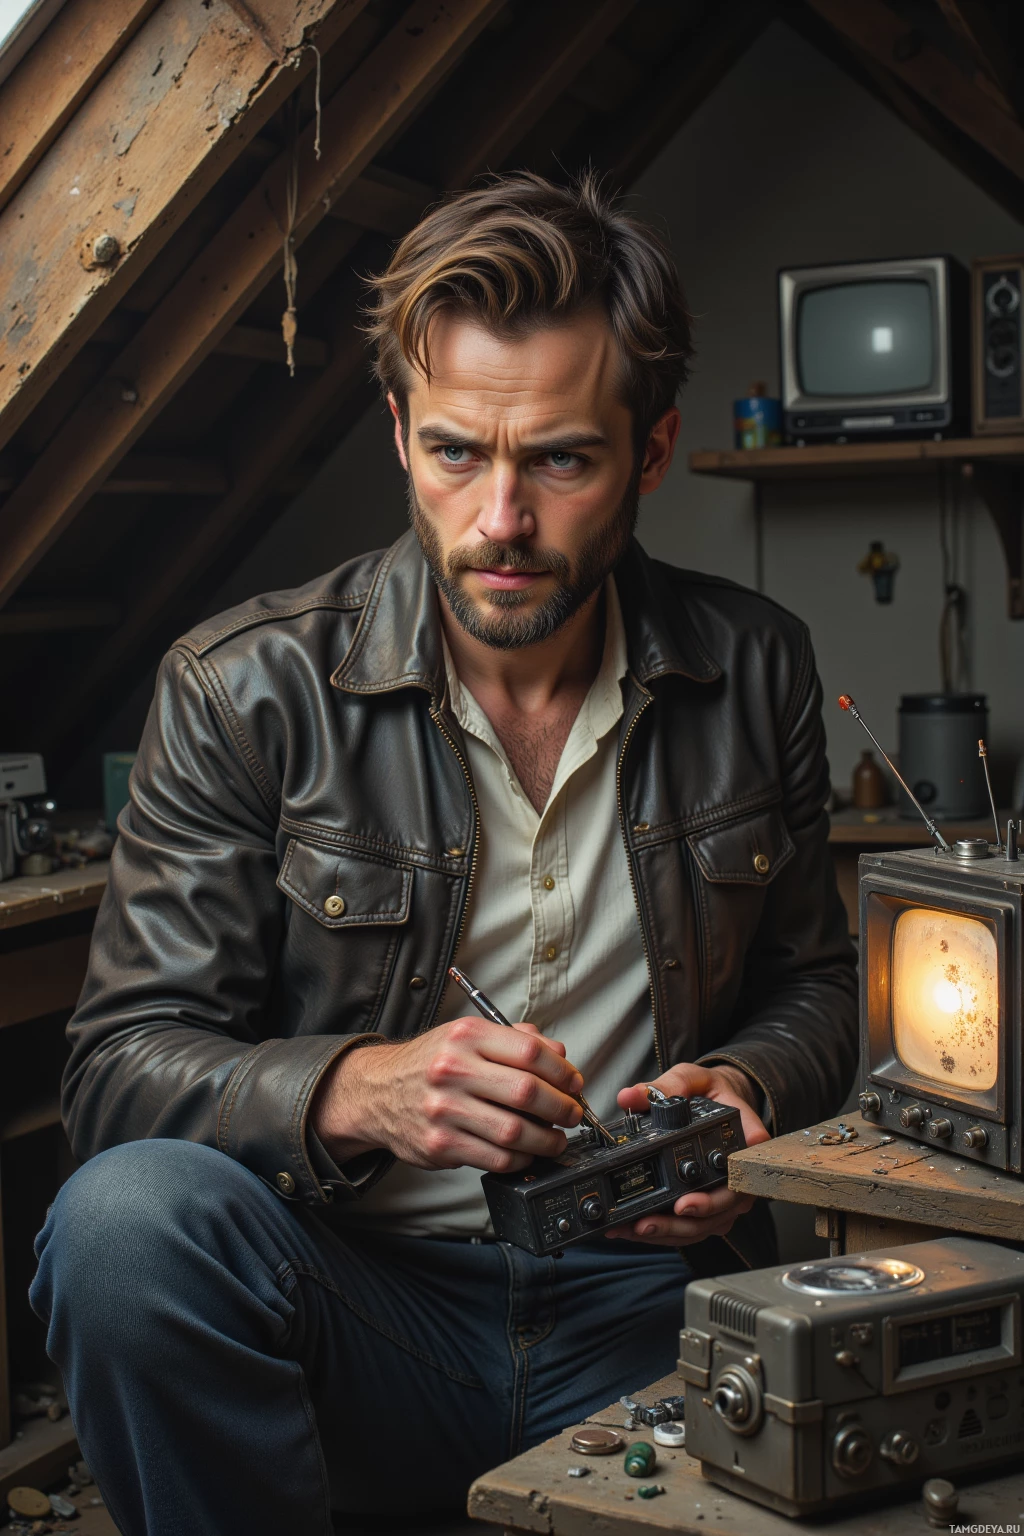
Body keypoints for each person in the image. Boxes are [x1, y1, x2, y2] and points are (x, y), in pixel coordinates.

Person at [31, 172, 857, 1536]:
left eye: (563, 460)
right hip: (355, 1302)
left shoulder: (756, 665)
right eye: (459, 453)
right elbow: (117, 1074)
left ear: (650, 454)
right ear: (402, 433)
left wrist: (742, 1090)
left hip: (650, 1304)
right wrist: (356, 1091)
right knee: (122, 1230)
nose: (502, 523)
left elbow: (818, 991)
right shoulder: (241, 688)